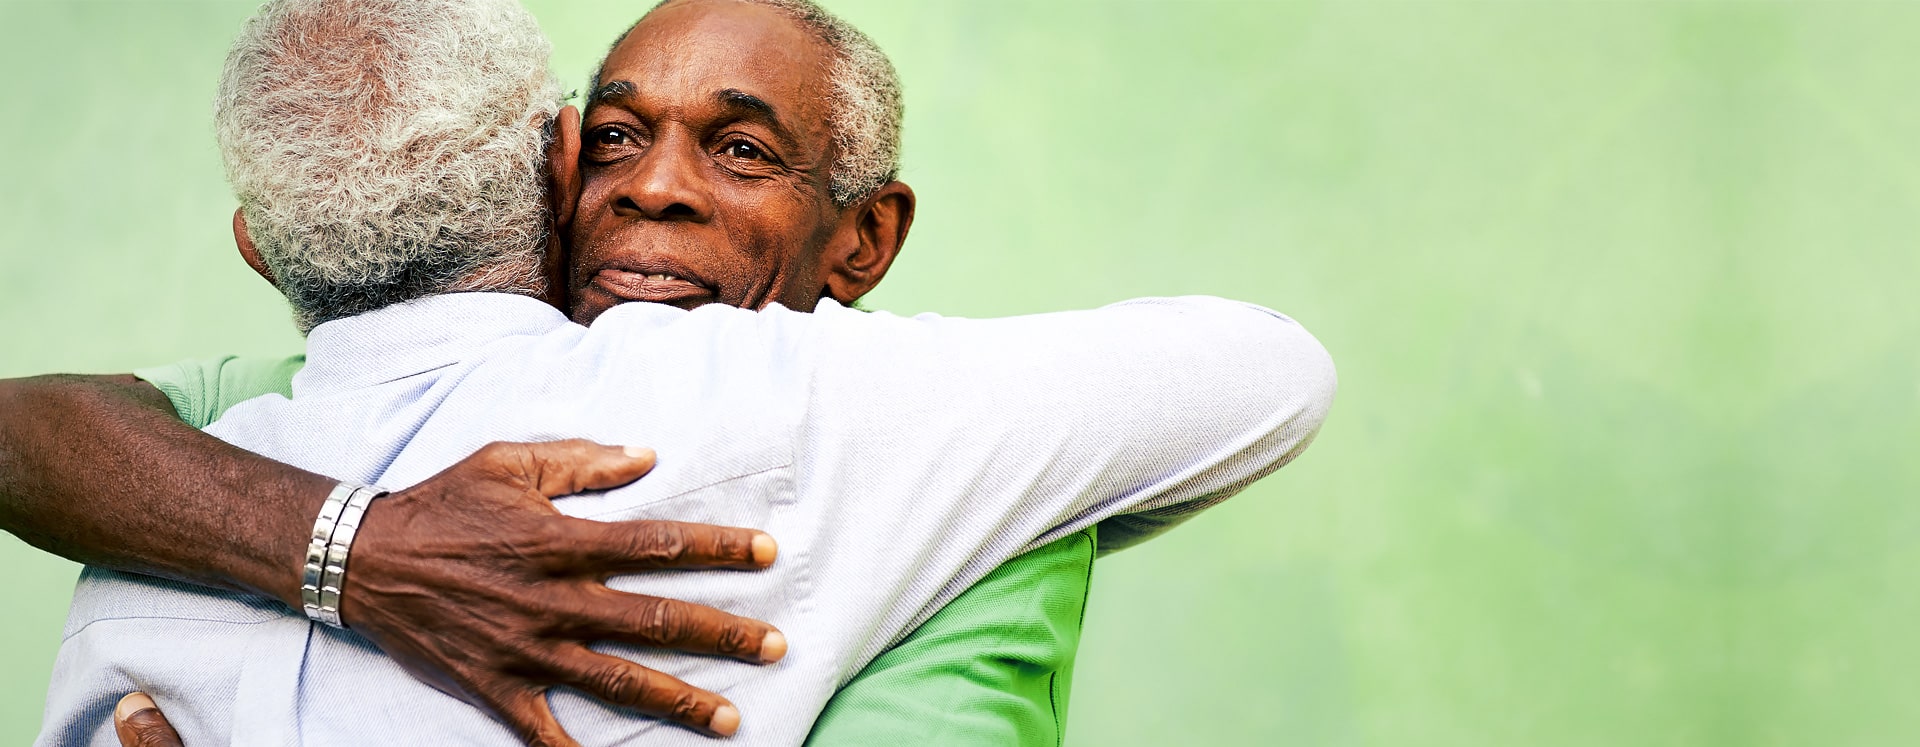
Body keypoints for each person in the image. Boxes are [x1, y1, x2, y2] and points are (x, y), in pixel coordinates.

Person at [24, 0, 1334, 744]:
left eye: (742, 151)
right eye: (614, 137)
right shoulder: (247, 416)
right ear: (552, 173)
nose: (654, 187)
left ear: (866, 242)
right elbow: (34, 428)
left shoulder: (915, 442)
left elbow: (1267, 368)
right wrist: (361, 549)